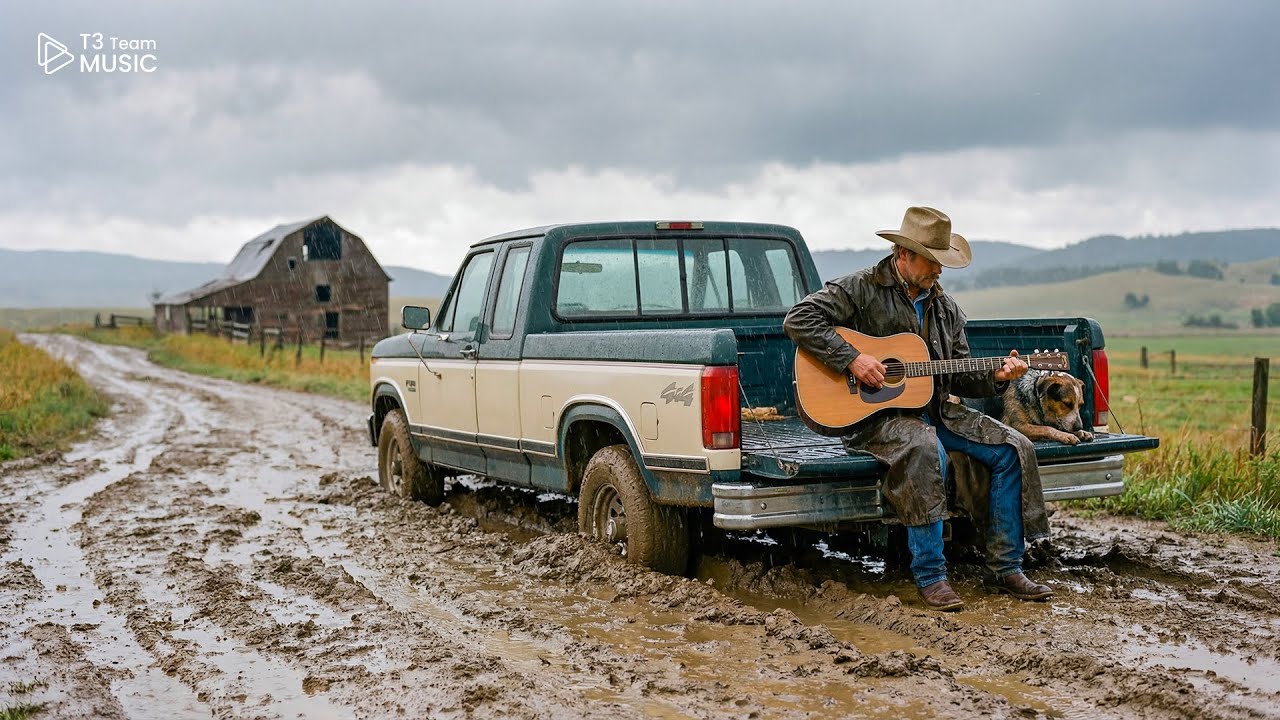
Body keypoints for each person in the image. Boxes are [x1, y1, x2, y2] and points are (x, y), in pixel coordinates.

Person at [783, 206, 1053, 611]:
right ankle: (932, 576)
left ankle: (1007, 566)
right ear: (903, 254)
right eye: (932, 261)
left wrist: (999, 377)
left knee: (1013, 447)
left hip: (937, 412)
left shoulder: (946, 308)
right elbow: (799, 318)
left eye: (943, 263)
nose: (939, 272)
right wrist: (853, 359)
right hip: (876, 420)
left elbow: (958, 375)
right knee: (926, 448)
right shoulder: (860, 287)